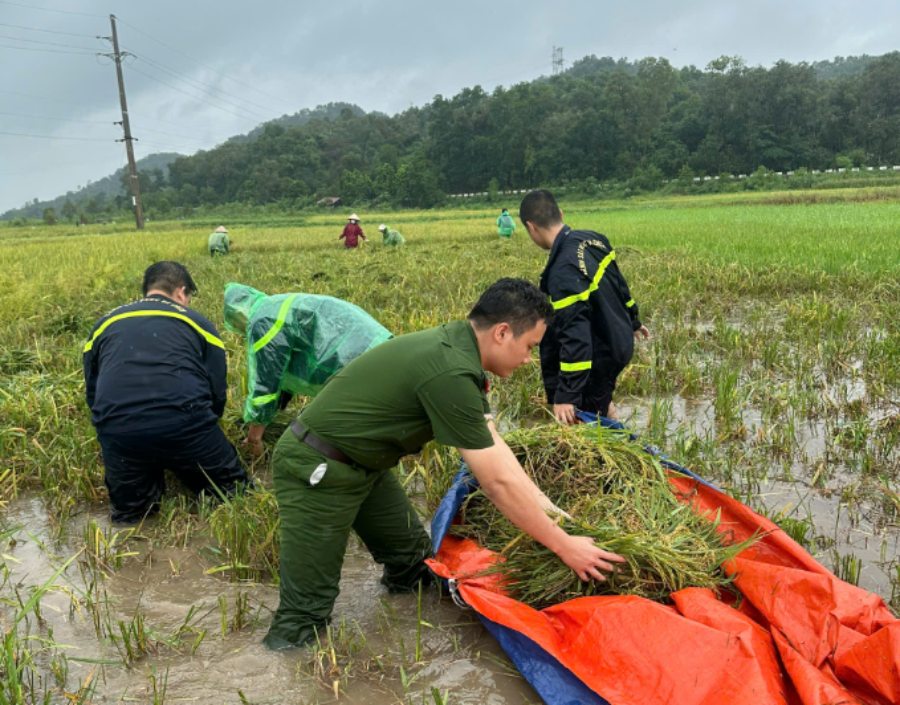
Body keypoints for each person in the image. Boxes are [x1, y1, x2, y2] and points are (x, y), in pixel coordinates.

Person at [262, 278, 626, 650]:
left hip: (365, 466)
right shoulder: (450, 369)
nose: (529, 358)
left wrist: (551, 511)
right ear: (502, 332)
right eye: (530, 346)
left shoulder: (459, 351)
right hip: (318, 466)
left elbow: (494, 447)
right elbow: (495, 481)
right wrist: (565, 547)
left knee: (413, 566)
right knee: (305, 614)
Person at [83, 261, 251, 524]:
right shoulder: (198, 323)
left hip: (120, 429)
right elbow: (216, 388)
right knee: (235, 495)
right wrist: (205, 429)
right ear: (181, 292)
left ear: (148, 289)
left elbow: (93, 391)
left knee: (131, 516)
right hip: (186, 423)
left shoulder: (104, 324)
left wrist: (111, 428)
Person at [519, 190, 650, 424]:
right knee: (600, 397)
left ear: (531, 227)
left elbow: (575, 334)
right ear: (560, 213)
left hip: (599, 353)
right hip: (617, 341)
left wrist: (567, 394)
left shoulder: (563, 271)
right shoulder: (593, 239)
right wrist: (633, 321)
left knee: (584, 416)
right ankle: (614, 427)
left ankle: (614, 448)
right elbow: (619, 284)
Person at [222, 283, 393, 454]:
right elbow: (290, 363)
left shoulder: (262, 320)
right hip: (379, 343)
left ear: (237, 313)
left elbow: (266, 383)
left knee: (358, 430)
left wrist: (254, 438)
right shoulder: (276, 305)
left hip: (355, 360)